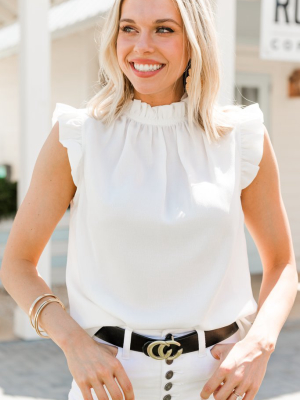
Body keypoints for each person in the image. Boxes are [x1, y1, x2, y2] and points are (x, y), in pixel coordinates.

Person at [0, 0, 298, 399]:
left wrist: (259, 345)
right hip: (107, 386)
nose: (141, 46)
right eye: (128, 29)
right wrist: (73, 342)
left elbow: (281, 264)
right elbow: (17, 264)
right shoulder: (78, 136)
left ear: (194, 40)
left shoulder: (241, 138)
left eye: (164, 29)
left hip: (218, 385)